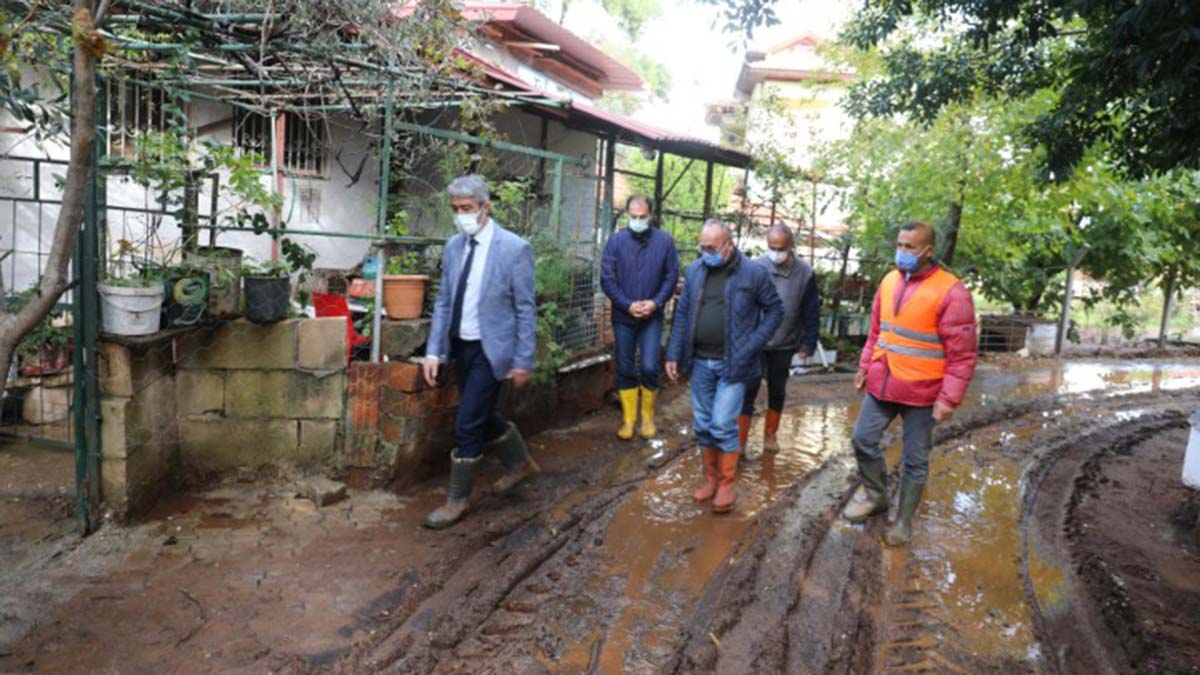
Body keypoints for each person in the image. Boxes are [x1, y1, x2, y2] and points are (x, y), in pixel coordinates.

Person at [843, 221, 978, 546]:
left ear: (928, 251)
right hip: (883, 382)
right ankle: (876, 495)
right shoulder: (889, 281)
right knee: (862, 439)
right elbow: (877, 332)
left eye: (910, 247)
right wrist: (865, 366)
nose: (901, 252)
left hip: (922, 392)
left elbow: (963, 355)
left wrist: (949, 399)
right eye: (899, 245)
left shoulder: (952, 292)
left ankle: (903, 522)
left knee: (915, 460)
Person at [422, 175, 540, 529]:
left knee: (467, 422)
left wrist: (523, 359)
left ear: (485, 208)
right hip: (462, 346)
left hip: (494, 350)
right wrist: (434, 351)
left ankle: (457, 500)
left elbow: (525, 308)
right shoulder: (454, 246)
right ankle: (521, 465)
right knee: (483, 413)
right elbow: (444, 301)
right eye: (456, 210)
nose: (461, 216)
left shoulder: (514, 248)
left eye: (467, 209)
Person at [666, 220, 783, 513]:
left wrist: (751, 345)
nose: (705, 253)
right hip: (700, 361)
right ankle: (711, 480)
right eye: (701, 247)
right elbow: (682, 313)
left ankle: (728, 483)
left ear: (729, 246)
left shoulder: (753, 273)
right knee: (703, 423)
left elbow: (775, 311)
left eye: (711, 248)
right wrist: (673, 353)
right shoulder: (695, 271)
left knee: (722, 423)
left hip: (734, 363)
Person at [600, 195, 680, 440]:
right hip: (624, 316)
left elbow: (671, 276)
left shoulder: (665, 241)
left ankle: (647, 418)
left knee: (648, 365)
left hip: (652, 317)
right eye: (633, 217)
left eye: (642, 217)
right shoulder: (615, 242)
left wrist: (655, 303)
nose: (637, 221)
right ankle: (628, 420)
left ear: (651, 215)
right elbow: (607, 279)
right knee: (624, 366)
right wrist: (627, 305)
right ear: (627, 214)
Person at [738, 224, 821, 454]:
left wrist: (809, 342)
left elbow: (811, 310)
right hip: (755, 342)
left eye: (781, 248)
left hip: (785, 342)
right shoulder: (756, 267)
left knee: (777, 390)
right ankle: (740, 442)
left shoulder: (804, 272)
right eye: (772, 247)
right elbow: (743, 305)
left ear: (791, 246)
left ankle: (770, 436)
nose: (776, 252)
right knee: (747, 390)